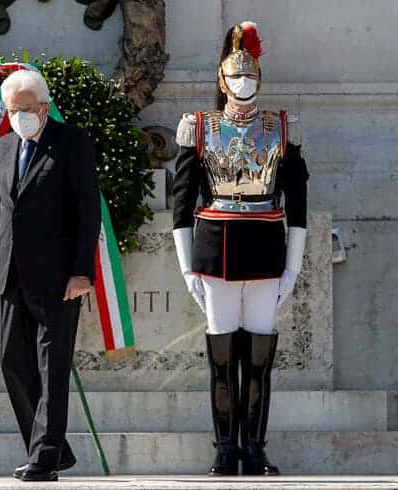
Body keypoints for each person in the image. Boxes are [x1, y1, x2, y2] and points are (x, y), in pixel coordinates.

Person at [172, 21, 308, 476]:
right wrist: (187, 265)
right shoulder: (199, 127)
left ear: (260, 80)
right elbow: (181, 203)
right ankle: (224, 447)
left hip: (266, 246)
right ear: (221, 81)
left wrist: (293, 265)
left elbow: (299, 204)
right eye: (235, 76)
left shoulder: (281, 128)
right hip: (217, 250)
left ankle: (255, 447)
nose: (243, 83)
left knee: (260, 359)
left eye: (250, 76)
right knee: (222, 358)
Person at [0, 69, 101, 482]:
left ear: (45, 106)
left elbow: (87, 211)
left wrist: (81, 272)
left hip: (58, 279)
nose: (19, 117)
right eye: (12, 110)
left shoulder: (71, 143)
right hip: (12, 276)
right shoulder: (3, 147)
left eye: (26, 109)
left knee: (52, 366)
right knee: (11, 362)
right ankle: (55, 448)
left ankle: (44, 458)